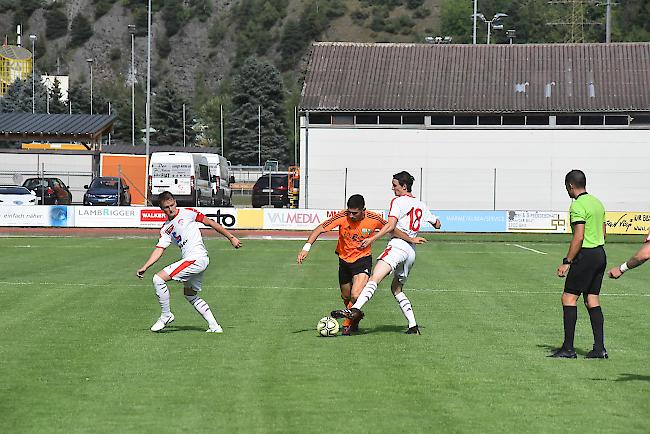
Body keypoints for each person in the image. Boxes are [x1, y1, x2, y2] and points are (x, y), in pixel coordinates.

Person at [331, 171, 440, 335]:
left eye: (395, 185)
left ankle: (354, 310)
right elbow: (437, 224)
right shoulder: (421, 204)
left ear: (404, 186)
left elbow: (390, 226)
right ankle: (413, 326)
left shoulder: (398, 201)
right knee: (396, 288)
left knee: (374, 279)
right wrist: (419, 232)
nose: (392, 188)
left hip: (398, 246)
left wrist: (372, 239)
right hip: (411, 252)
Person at [297, 194, 422, 335]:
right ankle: (356, 318)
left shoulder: (373, 218)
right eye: (349, 212)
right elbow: (320, 229)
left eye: (354, 213)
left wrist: (411, 239)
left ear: (364, 210)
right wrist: (306, 248)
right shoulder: (342, 216)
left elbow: (391, 228)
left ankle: (346, 325)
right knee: (345, 296)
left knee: (356, 295)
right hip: (344, 260)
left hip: (362, 260)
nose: (351, 215)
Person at [136, 191, 242, 332]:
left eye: (172, 205)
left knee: (158, 279)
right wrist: (145, 266)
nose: (171, 209)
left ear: (175, 202)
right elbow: (159, 249)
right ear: (162, 209)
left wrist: (231, 237)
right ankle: (215, 326)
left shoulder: (188, 213)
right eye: (167, 207)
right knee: (190, 294)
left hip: (196, 258)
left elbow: (210, 222)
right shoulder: (166, 229)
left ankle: (166, 315)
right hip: (196, 261)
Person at [552, 170, 608, 359]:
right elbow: (604, 232)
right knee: (592, 299)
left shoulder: (577, 205)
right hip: (600, 253)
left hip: (586, 255)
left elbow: (579, 236)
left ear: (570, 186)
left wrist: (567, 261)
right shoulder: (597, 203)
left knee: (568, 298)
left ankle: (568, 349)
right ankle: (599, 348)